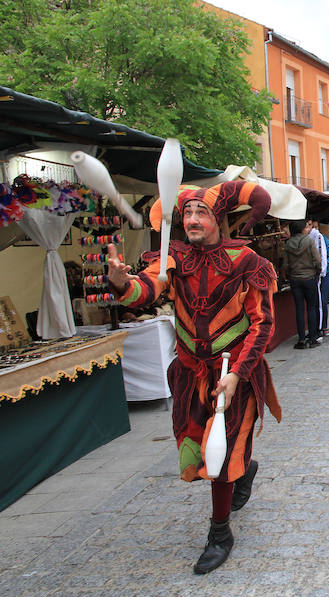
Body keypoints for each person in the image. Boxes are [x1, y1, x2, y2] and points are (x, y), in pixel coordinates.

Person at [108, 181, 281, 574]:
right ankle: (245, 470)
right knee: (196, 446)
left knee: (219, 457)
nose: (192, 220)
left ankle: (220, 534)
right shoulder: (172, 257)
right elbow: (145, 290)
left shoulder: (246, 261)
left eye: (200, 212)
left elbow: (262, 325)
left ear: (218, 218)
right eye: (186, 213)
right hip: (189, 374)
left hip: (233, 374)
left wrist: (237, 374)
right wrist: (121, 282)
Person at [284, 219, 321, 349]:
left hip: (295, 279)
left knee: (299, 309)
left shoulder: (288, 244)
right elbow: (317, 259)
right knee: (311, 307)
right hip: (309, 277)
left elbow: (286, 265)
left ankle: (301, 339)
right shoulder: (308, 241)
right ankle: (312, 338)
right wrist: (317, 271)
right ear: (301, 228)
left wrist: (290, 275)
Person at [307, 218, 329, 340]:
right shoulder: (307, 240)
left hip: (323, 275)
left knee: (322, 301)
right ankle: (317, 327)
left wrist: (322, 270)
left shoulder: (322, 238)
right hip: (313, 276)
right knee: (316, 303)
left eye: (314, 226)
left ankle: (323, 327)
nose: (313, 229)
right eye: (310, 226)